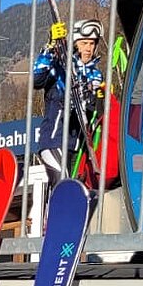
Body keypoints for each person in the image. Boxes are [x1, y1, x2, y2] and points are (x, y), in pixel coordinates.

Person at [33, 18, 105, 188]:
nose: (88, 48)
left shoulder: (96, 75)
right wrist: (50, 47)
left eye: (92, 44)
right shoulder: (60, 67)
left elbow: (96, 113)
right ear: (75, 43)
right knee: (62, 184)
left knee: (77, 190)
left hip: (79, 147)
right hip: (54, 140)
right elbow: (37, 79)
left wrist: (100, 100)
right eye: (84, 43)